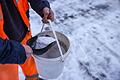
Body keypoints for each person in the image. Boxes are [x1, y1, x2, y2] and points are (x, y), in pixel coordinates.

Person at [0, 0, 54, 80]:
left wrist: (42, 5)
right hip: (4, 51)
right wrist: (12, 51)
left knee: (32, 67)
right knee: (9, 76)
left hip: (24, 33)